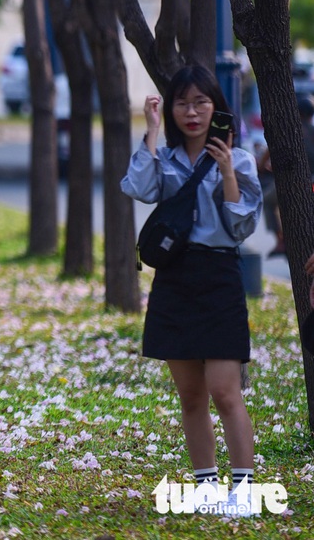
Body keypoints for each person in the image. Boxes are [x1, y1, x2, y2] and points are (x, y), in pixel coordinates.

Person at [122, 64, 263, 512]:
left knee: (225, 389)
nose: (192, 111)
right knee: (190, 395)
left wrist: (225, 174)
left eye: (201, 102)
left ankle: (242, 491)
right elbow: (140, 189)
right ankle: (206, 487)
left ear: (216, 107)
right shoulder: (164, 159)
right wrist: (151, 131)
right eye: (182, 103)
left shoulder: (239, 159)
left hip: (219, 277)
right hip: (175, 279)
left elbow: (242, 227)